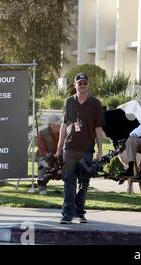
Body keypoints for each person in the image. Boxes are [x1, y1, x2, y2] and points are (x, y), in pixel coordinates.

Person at [55, 73, 103, 224]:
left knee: (84, 182)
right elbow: (64, 125)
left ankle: (80, 213)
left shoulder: (96, 103)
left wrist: (100, 150)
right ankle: (67, 214)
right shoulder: (69, 102)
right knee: (69, 181)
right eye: (79, 83)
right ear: (75, 85)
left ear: (88, 85)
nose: (82, 85)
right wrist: (59, 147)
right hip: (69, 148)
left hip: (87, 149)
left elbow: (98, 128)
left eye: (85, 83)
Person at [36, 114, 62, 195]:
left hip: (61, 154)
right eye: (57, 124)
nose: (59, 125)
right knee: (43, 165)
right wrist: (51, 156)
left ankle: (70, 189)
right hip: (46, 155)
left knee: (70, 165)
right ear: (51, 124)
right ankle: (42, 189)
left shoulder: (64, 132)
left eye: (60, 123)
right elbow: (42, 150)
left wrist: (60, 155)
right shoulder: (42, 133)